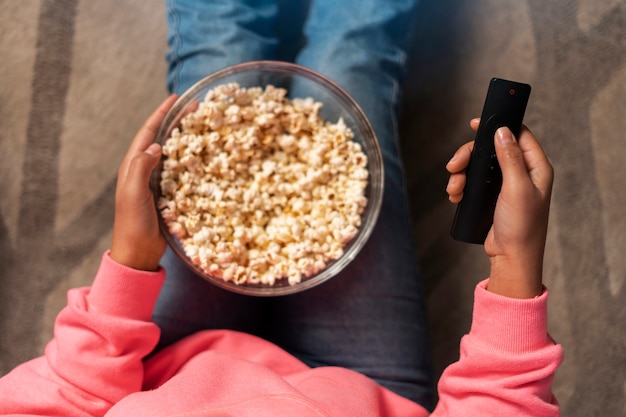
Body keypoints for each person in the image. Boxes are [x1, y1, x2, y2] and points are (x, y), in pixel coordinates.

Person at [0, 95, 562, 415]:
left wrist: (130, 262)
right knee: (354, 70)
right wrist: (515, 262)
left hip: (163, 366)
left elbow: (61, 399)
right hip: (370, 392)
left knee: (214, 74)